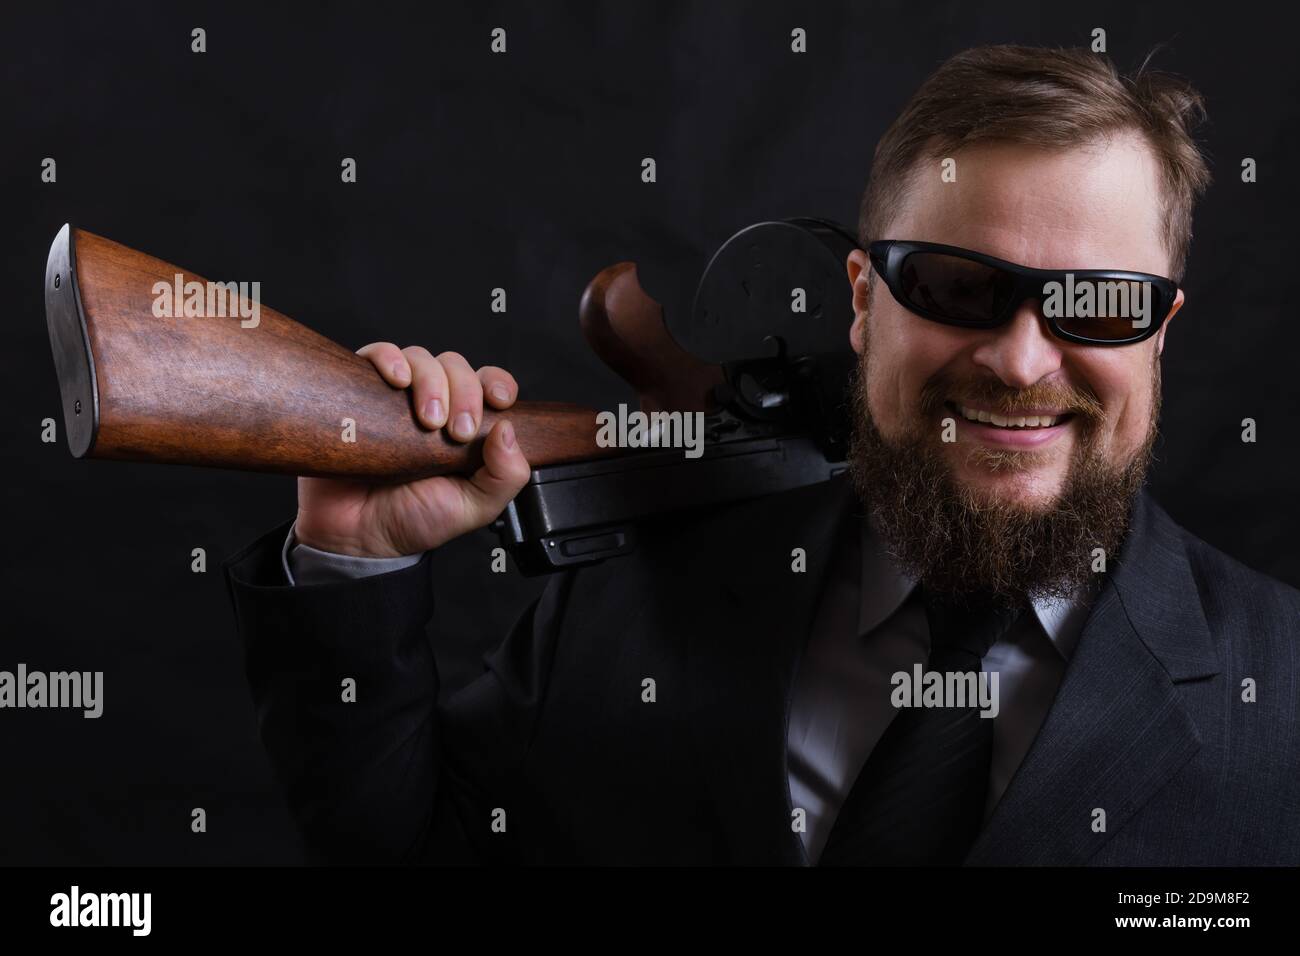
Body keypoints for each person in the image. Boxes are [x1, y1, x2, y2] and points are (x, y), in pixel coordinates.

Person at [224, 44, 1300, 865]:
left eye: (1096, 305)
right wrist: (355, 558)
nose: (1020, 361)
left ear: (1159, 330)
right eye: (953, 287)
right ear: (863, 302)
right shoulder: (637, 590)